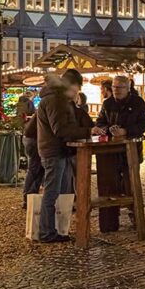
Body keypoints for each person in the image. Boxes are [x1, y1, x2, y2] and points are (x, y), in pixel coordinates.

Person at [36, 69, 93, 243]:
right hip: (54, 151)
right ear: (69, 86)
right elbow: (60, 129)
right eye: (75, 90)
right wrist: (88, 131)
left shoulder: (58, 100)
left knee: (58, 191)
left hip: (56, 150)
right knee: (51, 193)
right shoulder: (55, 101)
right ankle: (47, 232)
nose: (76, 94)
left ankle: (55, 229)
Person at [93, 75, 145, 225]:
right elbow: (101, 121)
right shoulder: (108, 104)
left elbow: (143, 125)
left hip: (130, 151)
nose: (116, 90)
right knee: (110, 186)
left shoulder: (137, 103)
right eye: (114, 87)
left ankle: (136, 217)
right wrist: (105, 129)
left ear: (128, 88)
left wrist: (126, 131)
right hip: (111, 153)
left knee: (130, 184)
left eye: (119, 87)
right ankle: (110, 221)